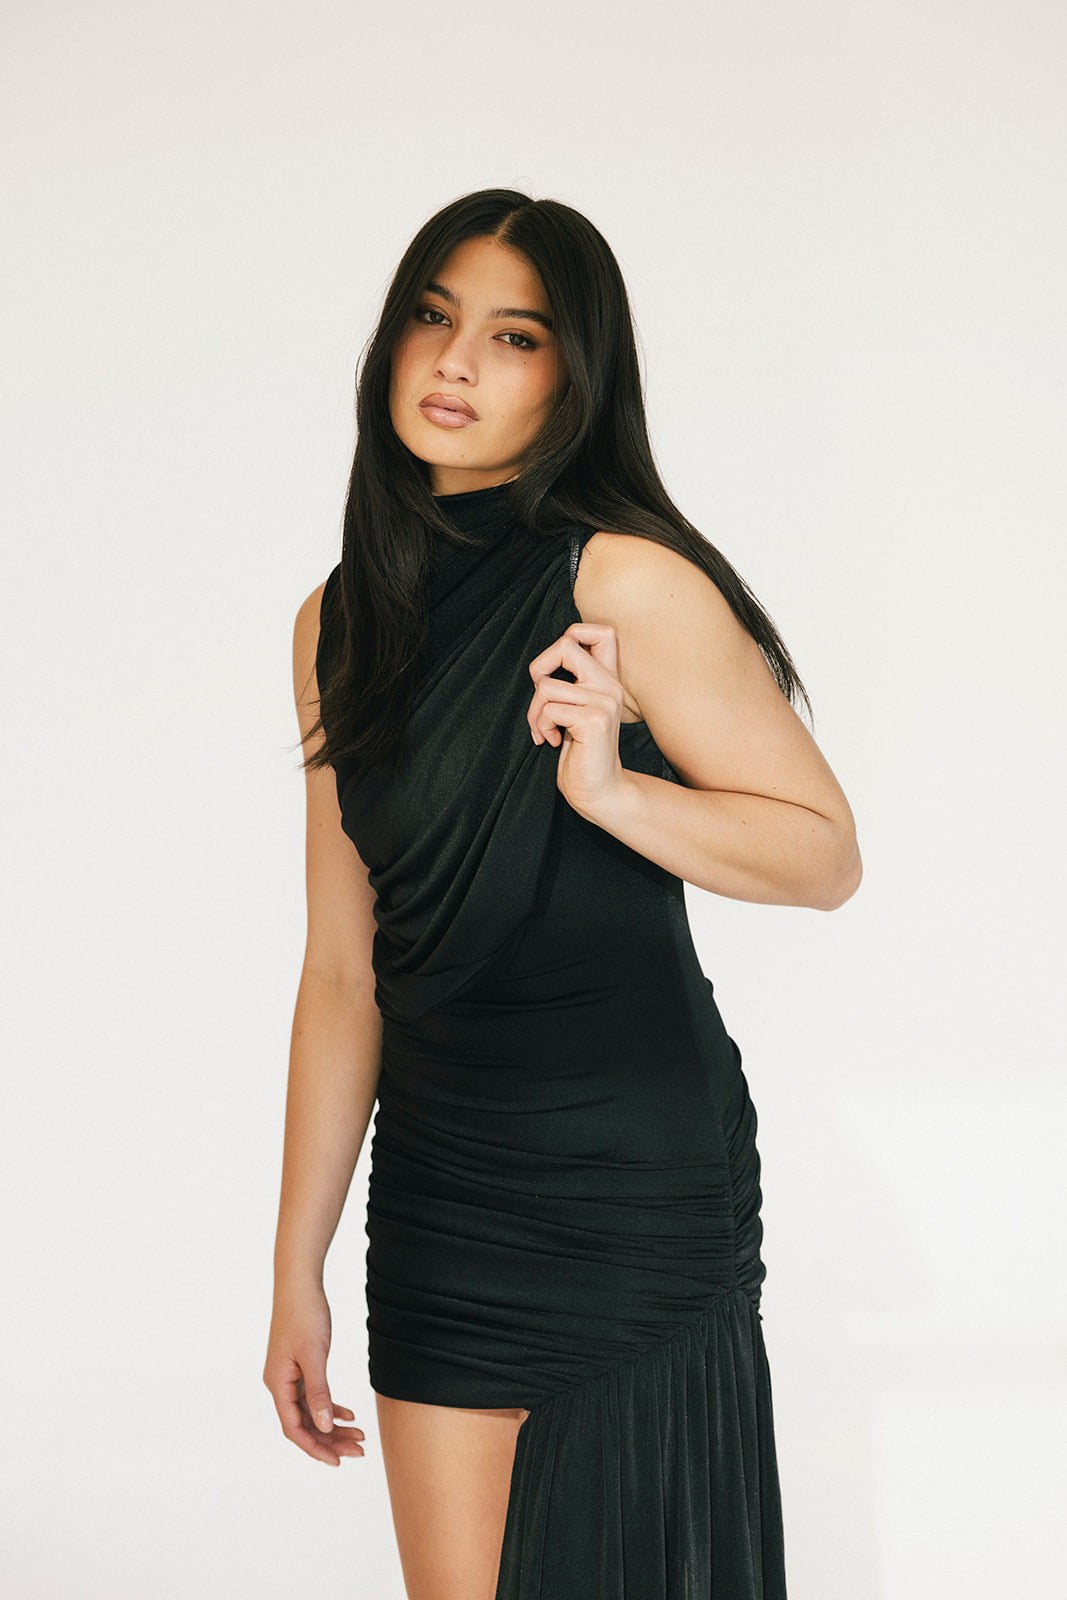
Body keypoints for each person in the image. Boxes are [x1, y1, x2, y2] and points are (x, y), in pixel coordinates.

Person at [263, 188, 861, 1600]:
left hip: (634, 1183)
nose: (457, 360)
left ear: (574, 378)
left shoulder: (622, 582)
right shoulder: (335, 623)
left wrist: (615, 794)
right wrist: (296, 1270)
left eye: (515, 336)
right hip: (445, 1192)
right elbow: (343, 968)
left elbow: (825, 854)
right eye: (433, 316)